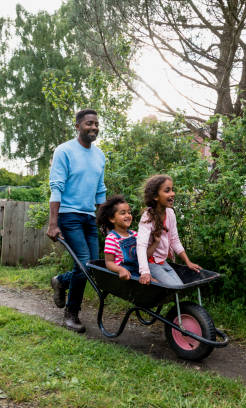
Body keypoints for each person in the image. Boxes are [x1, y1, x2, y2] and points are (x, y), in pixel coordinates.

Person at [47, 109, 106, 333]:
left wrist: (105, 220)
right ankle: (71, 314)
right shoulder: (65, 151)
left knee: (92, 265)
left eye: (96, 124)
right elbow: (57, 187)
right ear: (78, 126)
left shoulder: (100, 156)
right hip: (69, 215)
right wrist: (53, 223)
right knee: (83, 262)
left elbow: (100, 191)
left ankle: (61, 281)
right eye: (89, 123)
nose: (94, 127)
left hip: (89, 216)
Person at [136, 175, 201, 286]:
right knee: (175, 287)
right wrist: (145, 272)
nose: (172, 193)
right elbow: (141, 245)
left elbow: (174, 240)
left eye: (172, 190)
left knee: (179, 286)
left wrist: (188, 262)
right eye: (167, 191)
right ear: (156, 196)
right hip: (150, 263)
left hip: (163, 262)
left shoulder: (170, 213)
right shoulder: (147, 217)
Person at [96, 195, 159, 280]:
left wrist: (156, 242)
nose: (128, 215)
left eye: (129, 212)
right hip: (126, 276)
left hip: (140, 271)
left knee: (157, 282)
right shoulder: (111, 238)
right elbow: (109, 262)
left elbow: (144, 255)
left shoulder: (135, 235)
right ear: (112, 219)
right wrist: (120, 270)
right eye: (123, 213)